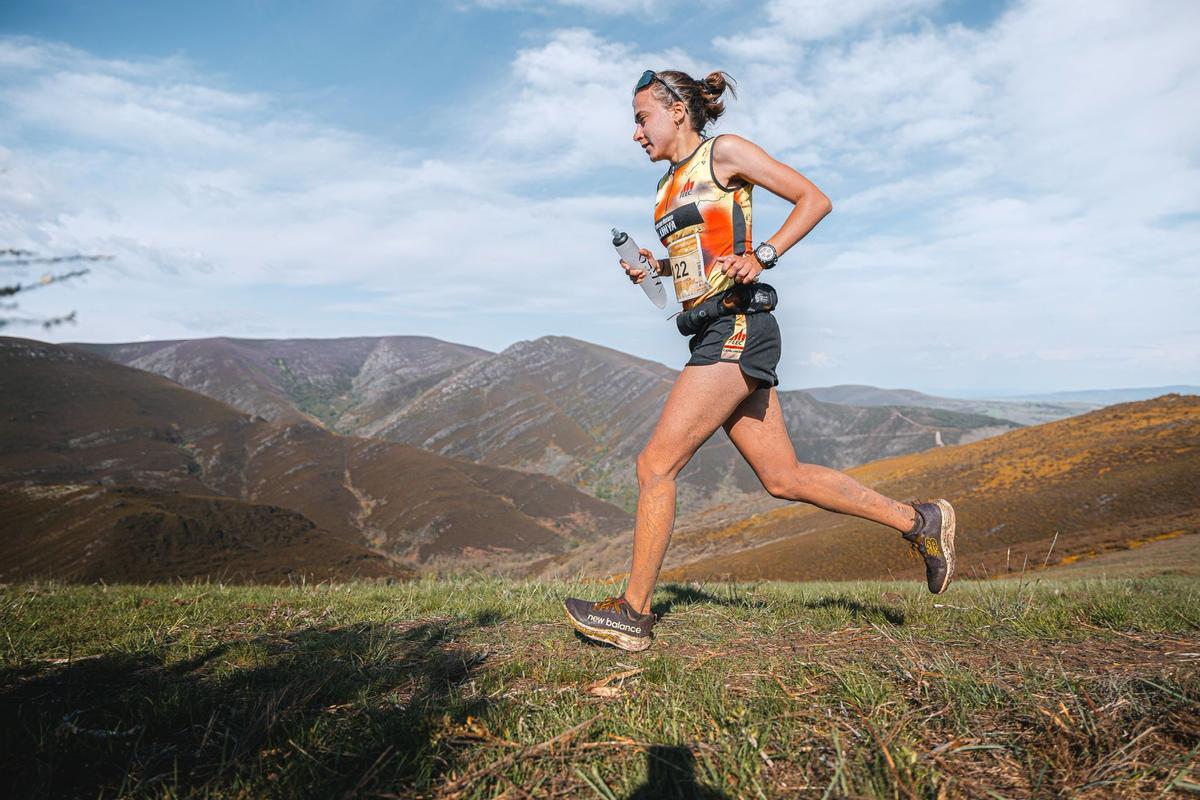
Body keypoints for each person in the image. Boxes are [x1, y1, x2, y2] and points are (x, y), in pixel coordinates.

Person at [564, 69, 957, 652]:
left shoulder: (724, 153)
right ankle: (920, 521)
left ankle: (633, 611)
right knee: (784, 478)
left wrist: (765, 253)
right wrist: (657, 265)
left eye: (641, 118)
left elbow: (813, 199)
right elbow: (700, 257)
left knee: (655, 465)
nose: (635, 132)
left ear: (677, 112)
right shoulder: (668, 188)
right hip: (708, 329)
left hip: (739, 325)